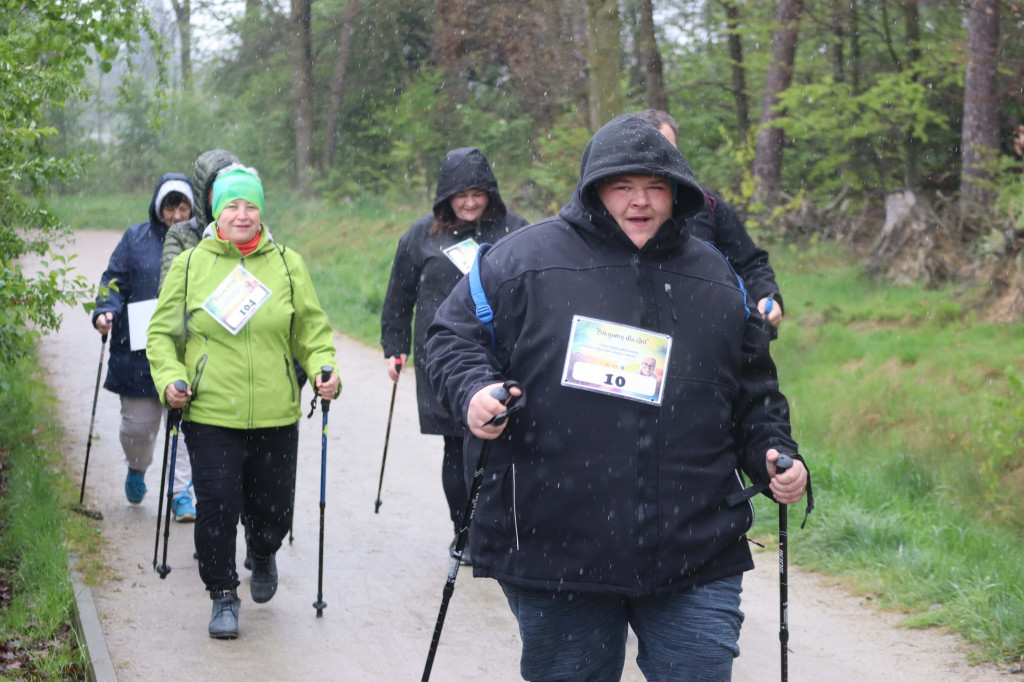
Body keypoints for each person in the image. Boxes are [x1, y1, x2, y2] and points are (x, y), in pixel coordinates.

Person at [425, 114, 810, 681]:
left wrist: (776, 454)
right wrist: (474, 391)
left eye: (656, 187)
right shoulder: (523, 260)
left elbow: (755, 394)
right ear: (594, 190)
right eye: (623, 186)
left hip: (694, 543)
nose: (640, 202)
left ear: (677, 194)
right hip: (557, 545)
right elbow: (452, 337)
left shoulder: (716, 277)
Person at [146, 166, 340, 640]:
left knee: (272, 508)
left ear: (261, 211)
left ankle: (263, 549)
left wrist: (324, 368)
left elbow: (311, 332)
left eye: (250, 205)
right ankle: (223, 593)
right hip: (211, 411)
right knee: (217, 507)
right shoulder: (191, 264)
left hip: (276, 412)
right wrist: (170, 379)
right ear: (216, 211)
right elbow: (161, 335)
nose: (242, 214)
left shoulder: (288, 264)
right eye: (232, 205)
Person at [380, 147, 528, 563]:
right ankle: (464, 531)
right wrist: (395, 347)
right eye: (461, 195)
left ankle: (504, 527)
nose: (470, 203)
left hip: (502, 354)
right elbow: (399, 296)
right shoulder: (422, 236)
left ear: (490, 194)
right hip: (442, 357)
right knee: (457, 443)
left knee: (503, 441)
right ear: (445, 196)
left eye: (478, 194)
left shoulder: (514, 231)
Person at [91, 173, 197, 521]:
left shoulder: (202, 241)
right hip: (138, 352)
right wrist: (105, 310)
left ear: (193, 208)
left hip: (187, 349)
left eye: (183, 207)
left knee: (185, 429)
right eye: (170, 207)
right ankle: (137, 467)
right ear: (158, 207)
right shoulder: (135, 239)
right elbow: (114, 280)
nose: (176, 216)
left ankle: (181, 493)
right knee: (138, 427)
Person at [634, 108, 784, 332]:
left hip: (705, 334)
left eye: (668, 150)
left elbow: (750, 263)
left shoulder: (708, 205)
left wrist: (767, 296)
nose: (660, 160)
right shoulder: (606, 210)